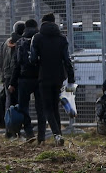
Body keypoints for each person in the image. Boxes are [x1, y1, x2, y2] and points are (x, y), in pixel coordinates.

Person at [29, 13, 76, 146]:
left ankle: (56, 135)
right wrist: (71, 77)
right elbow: (67, 60)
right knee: (55, 107)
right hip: (59, 76)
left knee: (47, 108)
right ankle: (58, 135)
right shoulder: (62, 39)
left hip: (44, 76)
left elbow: (33, 59)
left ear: (42, 22)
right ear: (54, 23)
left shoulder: (37, 38)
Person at [9, 19, 43, 143]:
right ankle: (42, 135)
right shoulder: (40, 40)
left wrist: (12, 83)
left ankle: (29, 132)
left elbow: (17, 65)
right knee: (41, 108)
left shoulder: (20, 42)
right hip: (39, 79)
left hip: (24, 79)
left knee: (24, 107)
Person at [0, 20, 24, 138]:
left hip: (6, 76)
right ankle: (14, 130)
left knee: (8, 104)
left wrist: (3, 76)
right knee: (17, 104)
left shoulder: (5, 43)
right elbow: (17, 63)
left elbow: (1, 62)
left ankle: (8, 130)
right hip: (15, 77)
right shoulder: (20, 43)